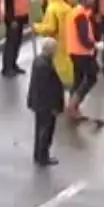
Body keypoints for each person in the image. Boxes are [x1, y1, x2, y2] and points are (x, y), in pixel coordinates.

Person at [27, 37, 65, 166]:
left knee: (40, 129)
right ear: (50, 50)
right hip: (45, 105)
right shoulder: (44, 65)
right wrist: (54, 106)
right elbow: (47, 89)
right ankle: (43, 156)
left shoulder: (40, 61)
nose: (56, 52)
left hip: (39, 103)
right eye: (55, 50)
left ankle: (39, 155)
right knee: (45, 130)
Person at [66, 0, 102, 121]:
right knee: (91, 77)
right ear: (83, 0)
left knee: (78, 78)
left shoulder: (74, 12)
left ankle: (73, 106)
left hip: (73, 51)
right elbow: (83, 38)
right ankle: (73, 105)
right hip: (82, 53)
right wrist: (95, 45)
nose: (93, 0)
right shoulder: (80, 15)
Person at [34, 0, 75, 89]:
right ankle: (71, 86)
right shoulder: (67, 7)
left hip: (57, 42)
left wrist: (37, 27)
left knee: (58, 67)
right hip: (70, 40)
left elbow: (51, 28)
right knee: (69, 64)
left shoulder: (51, 9)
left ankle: (62, 88)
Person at [2, 0, 31, 77]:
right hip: (13, 19)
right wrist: (12, 19)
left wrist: (26, 18)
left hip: (21, 17)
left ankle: (14, 64)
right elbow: (8, 4)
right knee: (11, 43)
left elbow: (23, 0)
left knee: (18, 42)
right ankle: (7, 67)